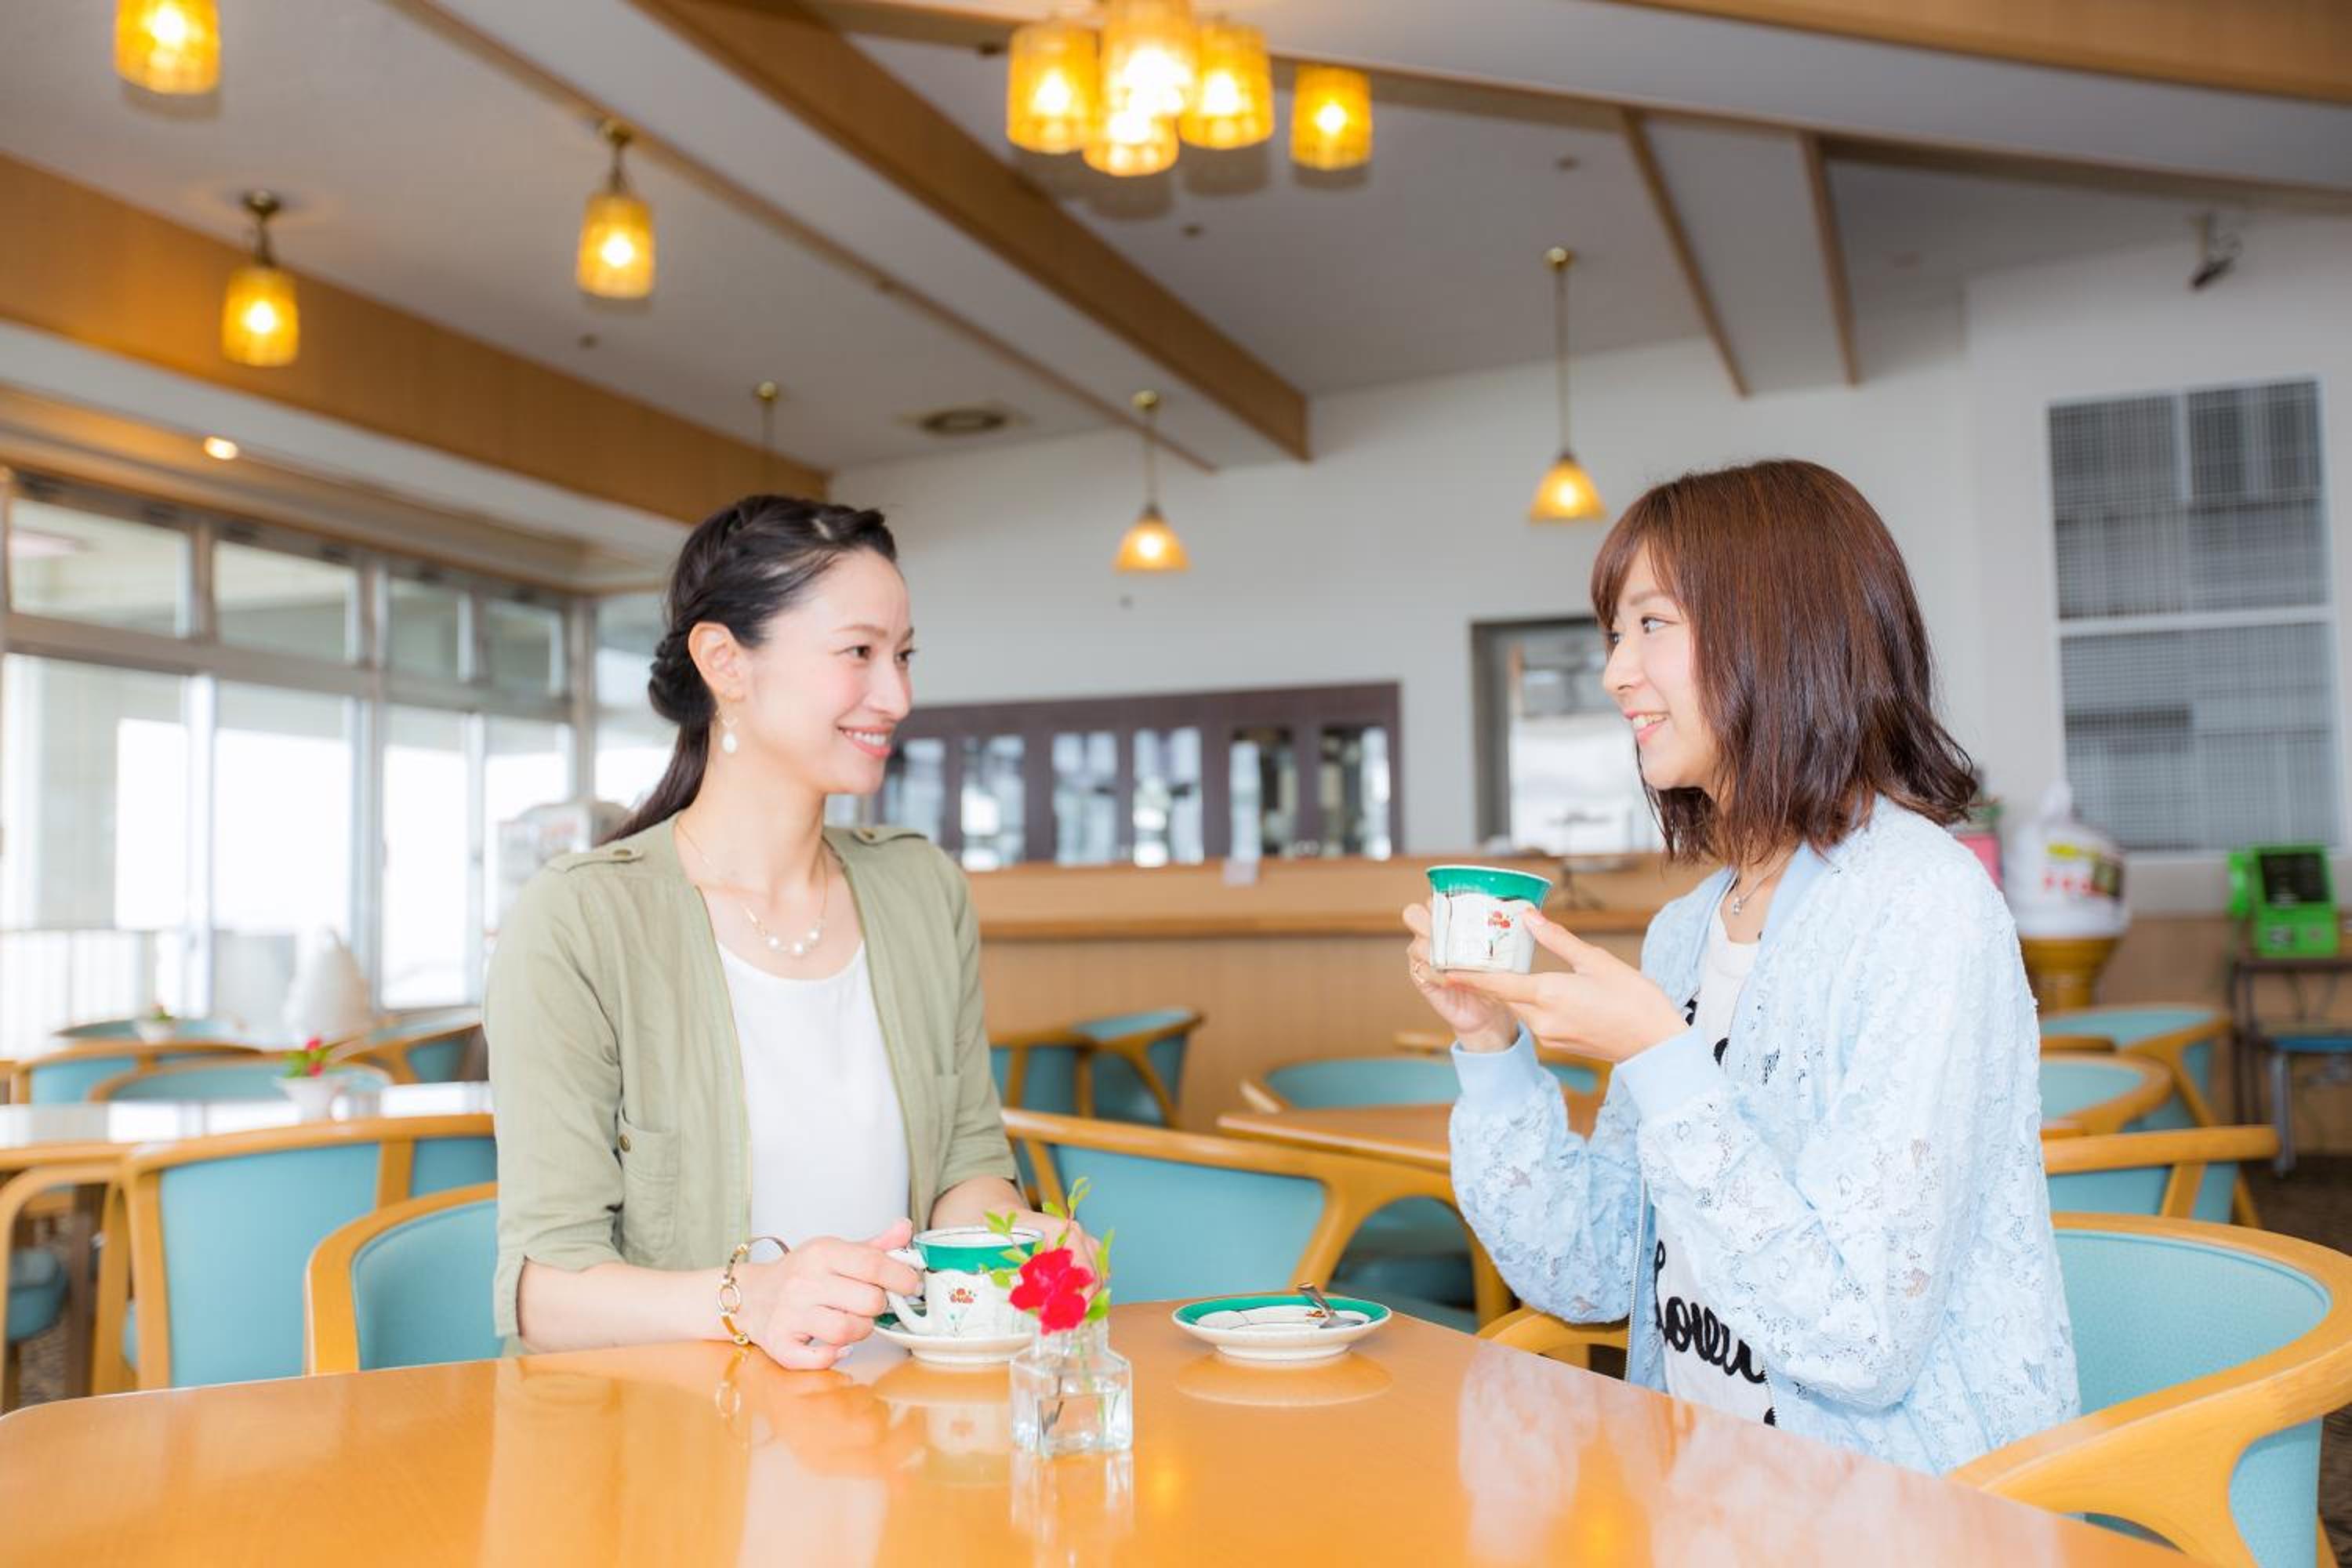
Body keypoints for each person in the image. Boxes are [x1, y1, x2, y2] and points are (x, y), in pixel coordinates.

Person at [1403, 459, 2077, 1472]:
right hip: (1707, 1500)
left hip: (1908, 1516)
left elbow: (1859, 1342)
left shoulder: (1922, 909)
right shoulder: (1686, 931)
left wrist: (1662, 1061)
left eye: (1650, 626)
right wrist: (1492, 1047)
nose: (1614, 672)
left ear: (1778, 630)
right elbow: (1594, 1272)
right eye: (1613, 633)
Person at [488, 495, 1057, 1369]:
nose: (898, 695)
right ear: (725, 661)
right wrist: (747, 1297)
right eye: (859, 653)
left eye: (904, 656)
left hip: (906, 1426)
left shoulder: (920, 887)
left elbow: (966, 1168)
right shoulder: (584, 917)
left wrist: (1018, 1242)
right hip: (680, 1452)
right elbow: (544, 1297)